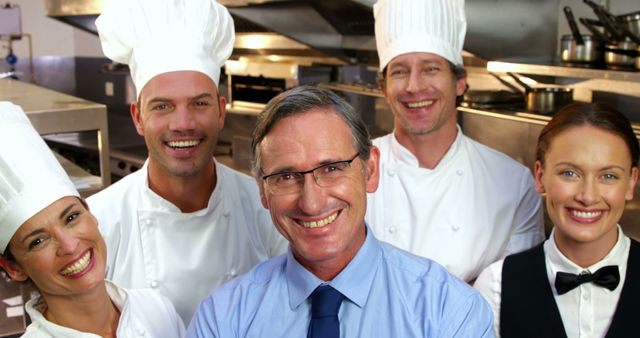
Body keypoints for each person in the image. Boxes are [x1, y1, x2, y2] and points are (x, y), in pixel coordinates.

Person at [187, 85, 494, 337]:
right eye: (286, 176)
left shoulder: (449, 311)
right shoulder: (224, 319)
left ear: (370, 170)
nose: (312, 202)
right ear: (263, 192)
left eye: (332, 168)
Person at [88, 0, 287, 323]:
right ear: (138, 117)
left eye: (199, 103)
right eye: (162, 106)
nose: (182, 123)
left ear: (221, 111)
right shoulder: (100, 222)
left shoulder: (266, 208)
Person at [366, 0, 545, 282]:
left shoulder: (514, 185)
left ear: (460, 82)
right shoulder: (349, 174)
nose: (414, 86)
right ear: (383, 88)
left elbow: (513, 297)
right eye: (400, 71)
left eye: (431, 69)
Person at [0, 102, 185, 338]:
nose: (69, 245)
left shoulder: (155, 310)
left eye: (71, 217)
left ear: (90, 211)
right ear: (13, 268)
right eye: (38, 241)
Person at [474, 102, 640, 337]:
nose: (588, 196)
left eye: (608, 176)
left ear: (631, 182)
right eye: (569, 173)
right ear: (540, 176)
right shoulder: (496, 286)